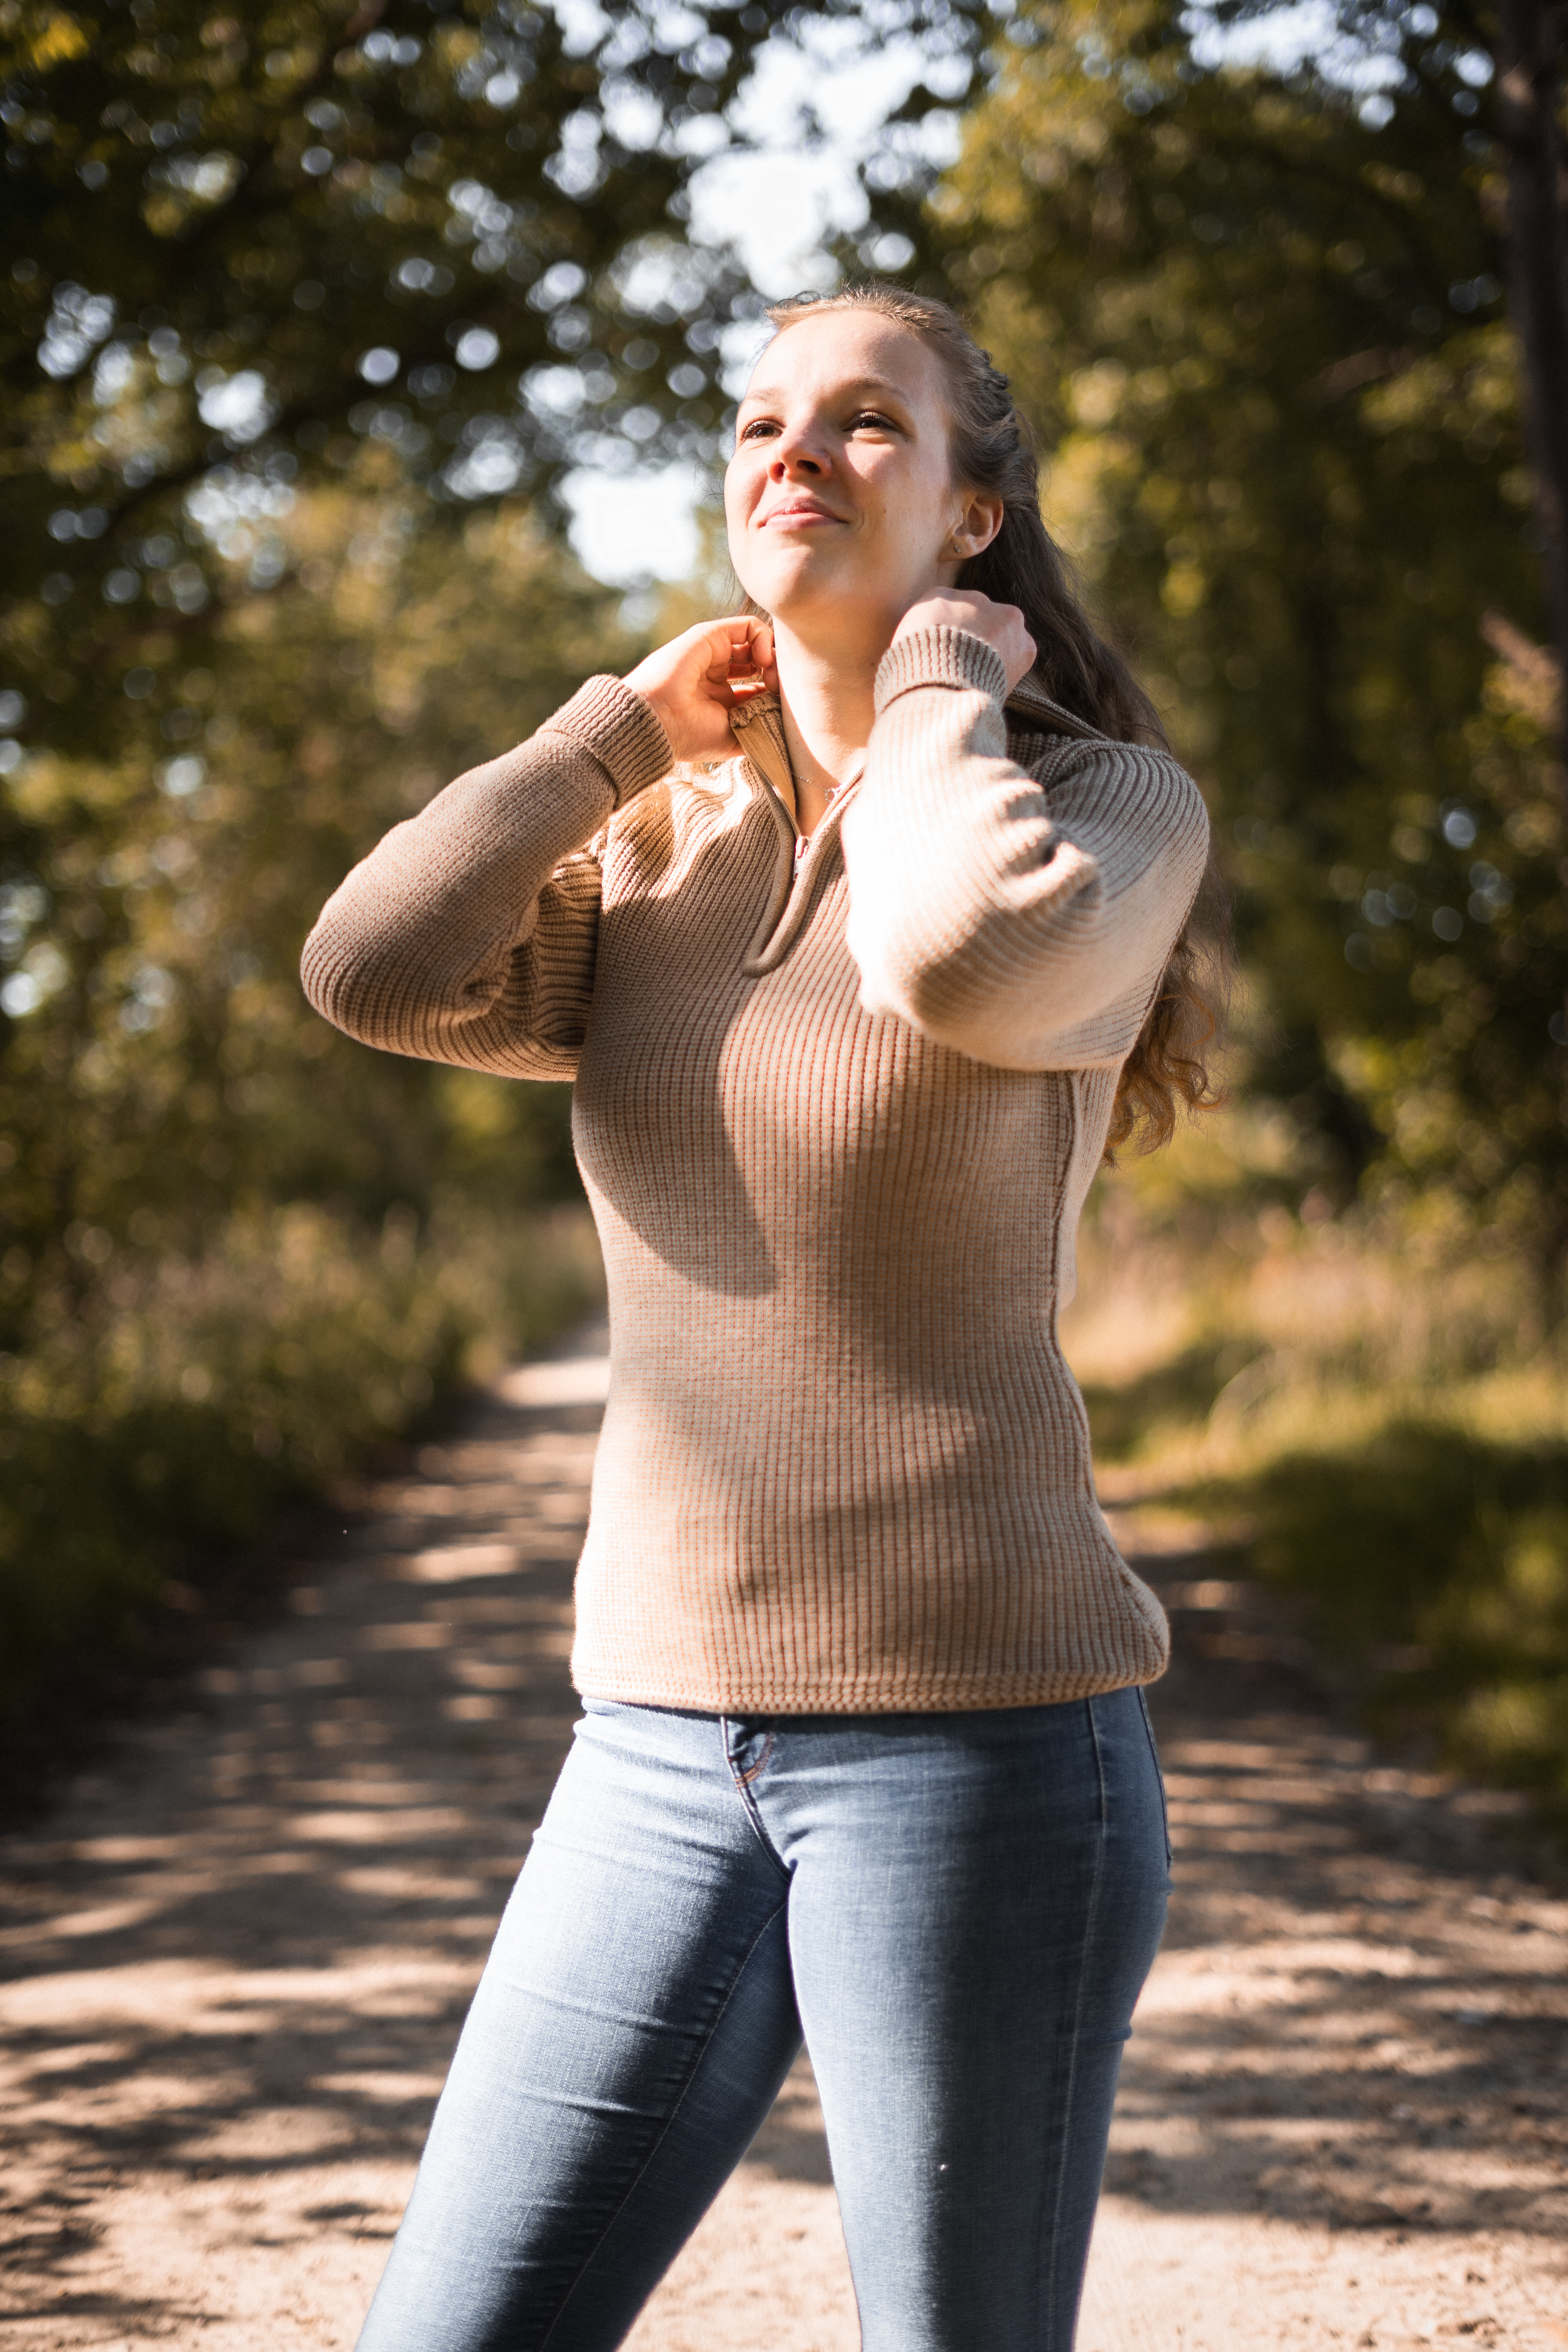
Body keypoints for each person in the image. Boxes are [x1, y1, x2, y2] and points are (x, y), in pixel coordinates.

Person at [301, 281, 1223, 2352]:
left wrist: (925, 707)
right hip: (649, 1737)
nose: (791, 452)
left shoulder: (1105, 814)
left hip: (981, 1747)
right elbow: (369, 966)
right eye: (756, 422)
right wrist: (613, 729)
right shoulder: (651, 851)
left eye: (866, 423)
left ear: (977, 517)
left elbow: (958, 969)